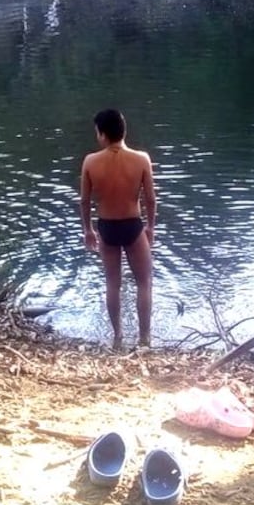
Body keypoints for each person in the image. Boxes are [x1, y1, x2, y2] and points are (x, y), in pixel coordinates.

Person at [79, 109, 157, 350]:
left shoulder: (90, 161)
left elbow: (84, 201)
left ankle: (117, 337)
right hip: (132, 225)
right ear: (124, 130)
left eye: (97, 132)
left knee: (113, 284)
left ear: (103, 134)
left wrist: (88, 230)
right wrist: (150, 227)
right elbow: (151, 199)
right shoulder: (141, 159)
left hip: (107, 227)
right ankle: (144, 338)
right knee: (144, 282)